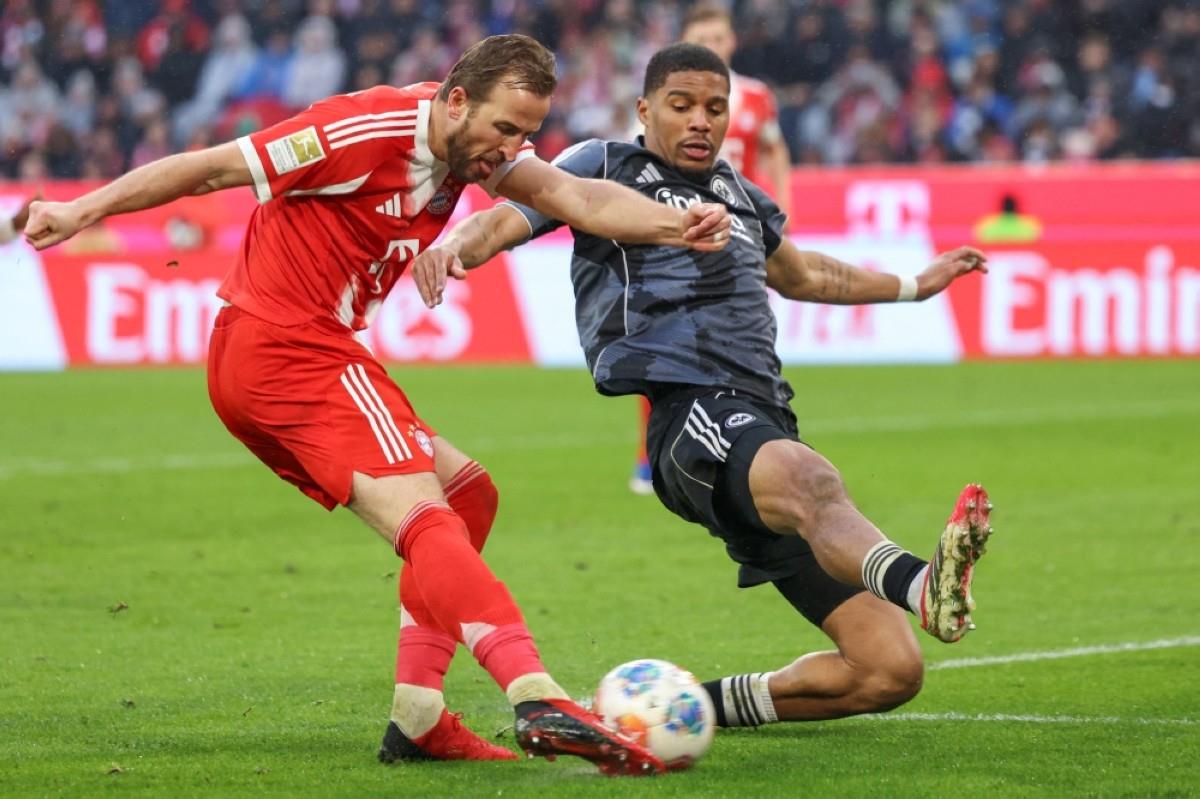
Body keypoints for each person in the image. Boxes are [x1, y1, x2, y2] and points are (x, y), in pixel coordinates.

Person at [23, 35, 733, 774]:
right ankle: (536, 692)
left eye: (525, 133)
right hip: (285, 348)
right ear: (456, 102)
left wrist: (677, 223)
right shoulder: (360, 131)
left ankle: (418, 717)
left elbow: (576, 197)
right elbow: (208, 169)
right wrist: (83, 210)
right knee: (427, 517)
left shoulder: (473, 148)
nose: (510, 150)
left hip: (302, 352)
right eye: (504, 128)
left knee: (468, 494)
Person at [407, 43, 994, 733]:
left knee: (887, 670)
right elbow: (503, 219)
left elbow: (807, 276)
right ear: (644, 109)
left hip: (764, 420)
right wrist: (452, 248)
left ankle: (660, 712)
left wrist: (916, 285)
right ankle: (923, 583)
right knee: (812, 480)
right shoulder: (604, 165)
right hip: (689, 412)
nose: (700, 121)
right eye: (681, 105)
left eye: (715, 108)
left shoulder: (741, 196)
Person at [625, 2, 796, 494]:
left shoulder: (756, 97)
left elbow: (775, 150)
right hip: (683, 229)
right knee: (663, 342)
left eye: (719, 39)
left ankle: (753, 442)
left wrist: (783, 209)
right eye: (704, 40)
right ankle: (651, 452)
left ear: (732, 41)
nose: (713, 47)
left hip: (741, 233)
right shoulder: (672, 98)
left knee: (747, 340)